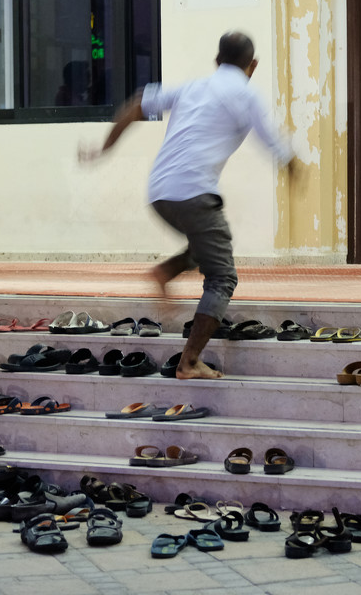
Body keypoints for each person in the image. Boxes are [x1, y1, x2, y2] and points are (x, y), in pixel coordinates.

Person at [86, 31, 297, 380]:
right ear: (253, 65)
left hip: (159, 192)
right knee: (222, 275)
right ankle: (189, 361)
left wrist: (104, 149)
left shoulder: (192, 87)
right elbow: (273, 140)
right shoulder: (246, 94)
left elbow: (137, 103)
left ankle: (166, 271)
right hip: (195, 194)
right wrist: (294, 167)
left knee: (208, 243)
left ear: (217, 61)